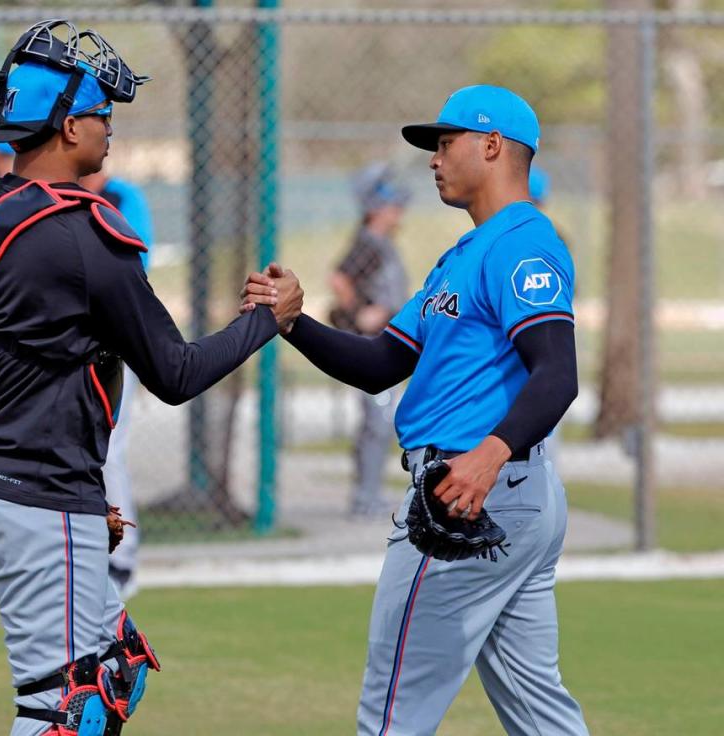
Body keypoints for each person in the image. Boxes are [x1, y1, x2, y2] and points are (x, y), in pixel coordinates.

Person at [0, 19, 301, 735]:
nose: (108, 129)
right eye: (97, 114)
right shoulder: (91, 235)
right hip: (36, 497)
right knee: (61, 708)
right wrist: (267, 320)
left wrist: (10, 465)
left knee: (114, 668)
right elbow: (175, 373)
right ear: (63, 128)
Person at [242, 85, 588, 735]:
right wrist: (294, 322)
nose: (433, 158)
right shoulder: (461, 257)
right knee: (539, 711)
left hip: (468, 488)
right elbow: (380, 362)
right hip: (504, 490)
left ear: (491, 146)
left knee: (392, 711)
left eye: (446, 141)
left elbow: (557, 373)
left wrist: (488, 456)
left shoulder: (522, 243)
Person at [79, 169, 154, 599]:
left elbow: (132, 268)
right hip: (75, 344)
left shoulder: (121, 197)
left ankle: (121, 562)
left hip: (116, 342)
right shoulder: (54, 197)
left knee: (109, 454)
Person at [329, 163, 410, 517]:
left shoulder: (380, 243)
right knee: (377, 421)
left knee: (379, 422)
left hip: (384, 346)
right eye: (392, 206)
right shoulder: (368, 243)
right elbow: (339, 279)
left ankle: (368, 493)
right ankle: (366, 496)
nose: (398, 213)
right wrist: (362, 311)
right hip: (371, 345)